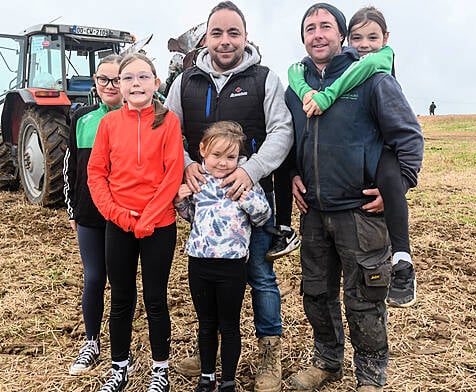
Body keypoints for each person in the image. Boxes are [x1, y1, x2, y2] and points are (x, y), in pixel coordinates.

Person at [285, 4, 423, 392]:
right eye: (310, 28)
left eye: (326, 26)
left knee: (364, 297)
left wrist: (399, 186)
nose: (318, 34)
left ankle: (370, 376)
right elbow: (289, 139)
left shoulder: (371, 78)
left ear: (341, 35)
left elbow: (408, 137)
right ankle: (328, 360)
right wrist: (293, 173)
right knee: (315, 292)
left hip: (360, 212)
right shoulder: (295, 89)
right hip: (313, 210)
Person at [164, 2, 294, 391]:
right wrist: (187, 164)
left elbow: (282, 131)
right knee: (209, 283)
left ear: (245, 37)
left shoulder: (264, 79)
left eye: (233, 33)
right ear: (205, 38)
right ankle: (214, 355)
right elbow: (170, 133)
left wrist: (249, 171)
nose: (225, 41)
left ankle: (269, 354)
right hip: (206, 202)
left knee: (260, 276)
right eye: (217, 33)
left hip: (252, 198)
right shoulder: (184, 82)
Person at [87, 53, 184, 392]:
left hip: (159, 225)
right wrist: (120, 216)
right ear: (120, 86)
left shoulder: (168, 121)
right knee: (121, 297)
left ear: (156, 84)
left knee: (156, 298)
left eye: (143, 77)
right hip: (120, 224)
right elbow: (97, 174)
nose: (136, 83)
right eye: (128, 78)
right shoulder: (109, 124)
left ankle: (160, 369)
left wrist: (150, 218)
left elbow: (173, 174)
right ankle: (119, 368)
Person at [175, 121, 272, 392]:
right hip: (200, 262)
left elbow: (263, 216)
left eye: (230, 157)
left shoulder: (243, 182)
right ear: (203, 151)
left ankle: (228, 379)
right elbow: (192, 218)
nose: (223, 163)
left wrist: (246, 198)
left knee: (229, 324)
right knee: (206, 324)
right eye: (217, 155)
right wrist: (180, 201)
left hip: (231, 265)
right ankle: (207, 376)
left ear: (239, 157)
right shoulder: (197, 181)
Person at [64, 54, 136, 376]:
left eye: (115, 79)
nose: (109, 85)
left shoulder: (135, 121)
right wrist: (72, 209)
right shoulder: (82, 120)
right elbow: (71, 168)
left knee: (123, 284)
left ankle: (123, 347)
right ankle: (91, 342)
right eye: (102, 79)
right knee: (94, 278)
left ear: (124, 82)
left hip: (122, 215)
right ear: (95, 82)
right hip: (90, 215)